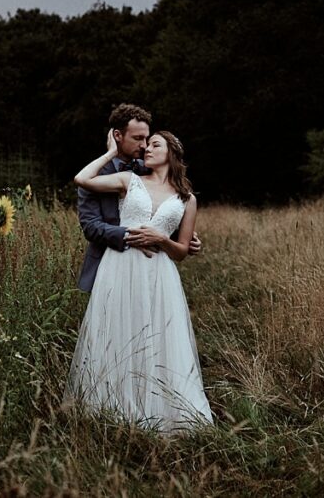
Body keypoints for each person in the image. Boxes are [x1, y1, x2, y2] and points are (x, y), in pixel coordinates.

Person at [66, 127, 212, 432]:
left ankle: (159, 408)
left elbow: (182, 251)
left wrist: (162, 239)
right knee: (118, 329)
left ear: (171, 153)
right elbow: (82, 179)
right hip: (119, 266)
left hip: (159, 273)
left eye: (155, 145)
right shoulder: (129, 181)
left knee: (156, 334)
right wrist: (111, 153)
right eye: (146, 145)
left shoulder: (187, 199)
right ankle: (110, 408)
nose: (147, 149)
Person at [75, 104, 199, 292]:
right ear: (118, 136)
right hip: (108, 265)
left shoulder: (149, 167)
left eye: (147, 139)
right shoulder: (96, 174)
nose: (144, 146)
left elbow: (160, 211)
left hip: (152, 267)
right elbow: (91, 227)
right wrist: (134, 237)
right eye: (138, 138)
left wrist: (185, 238)